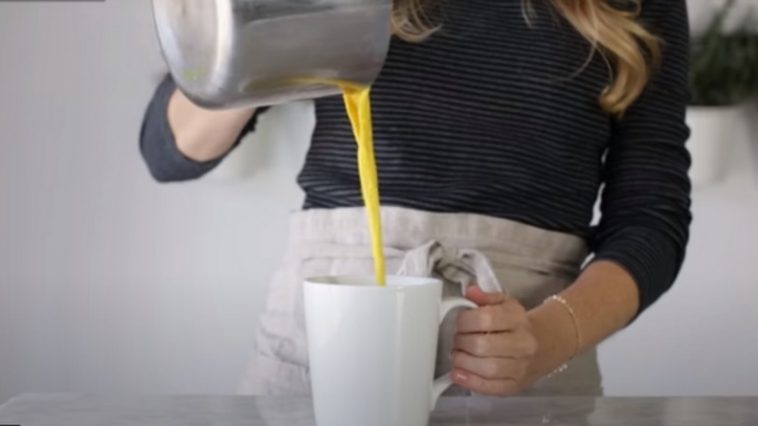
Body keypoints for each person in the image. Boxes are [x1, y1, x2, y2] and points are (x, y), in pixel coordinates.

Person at [140, 0, 691, 397]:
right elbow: (169, 150)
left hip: (528, 340)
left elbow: (651, 219)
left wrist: (547, 339)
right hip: (323, 344)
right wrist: (253, 32)